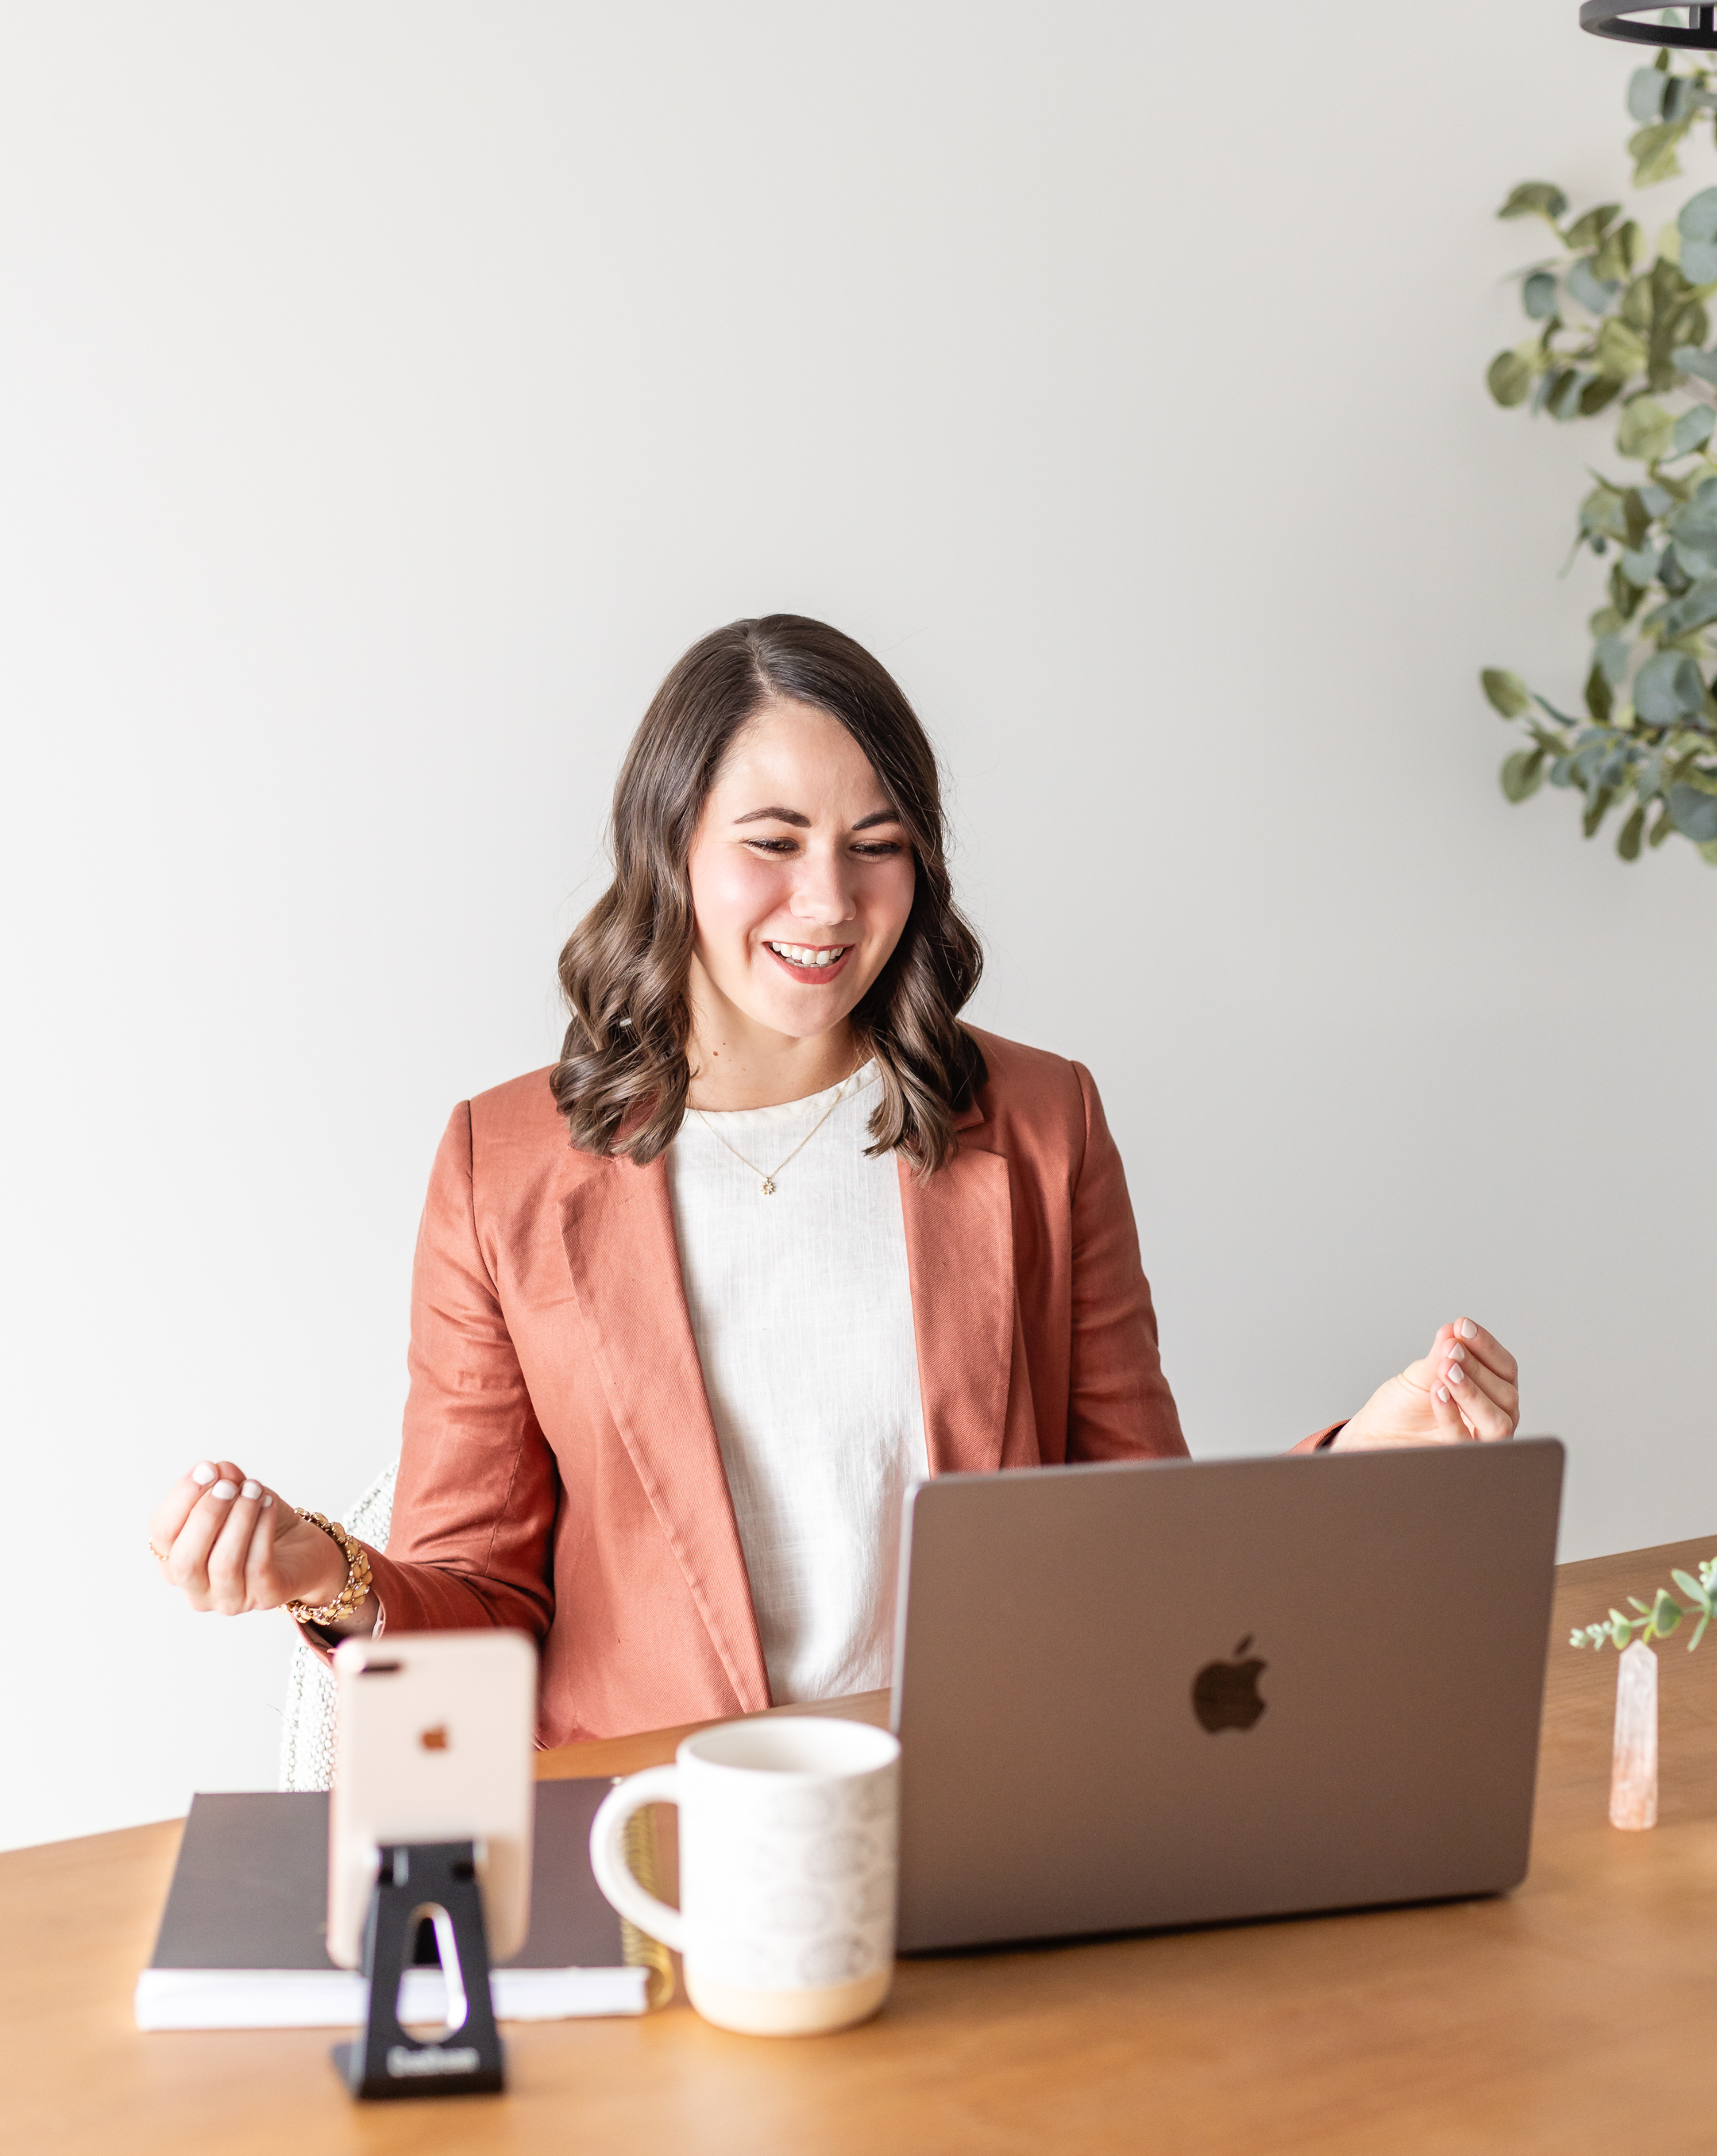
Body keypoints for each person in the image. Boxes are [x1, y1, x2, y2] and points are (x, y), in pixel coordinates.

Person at [148, 617, 1520, 1745]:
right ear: (671, 845)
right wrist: (323, 1574)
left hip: (984, 1809)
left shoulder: (1043, 1124)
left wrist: (1361, 1467)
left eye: (876, 845)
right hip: (658, 1842)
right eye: (774, 840)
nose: (828, 902)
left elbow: (1141, 1544)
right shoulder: (498, 1168)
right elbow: (484, 1607)